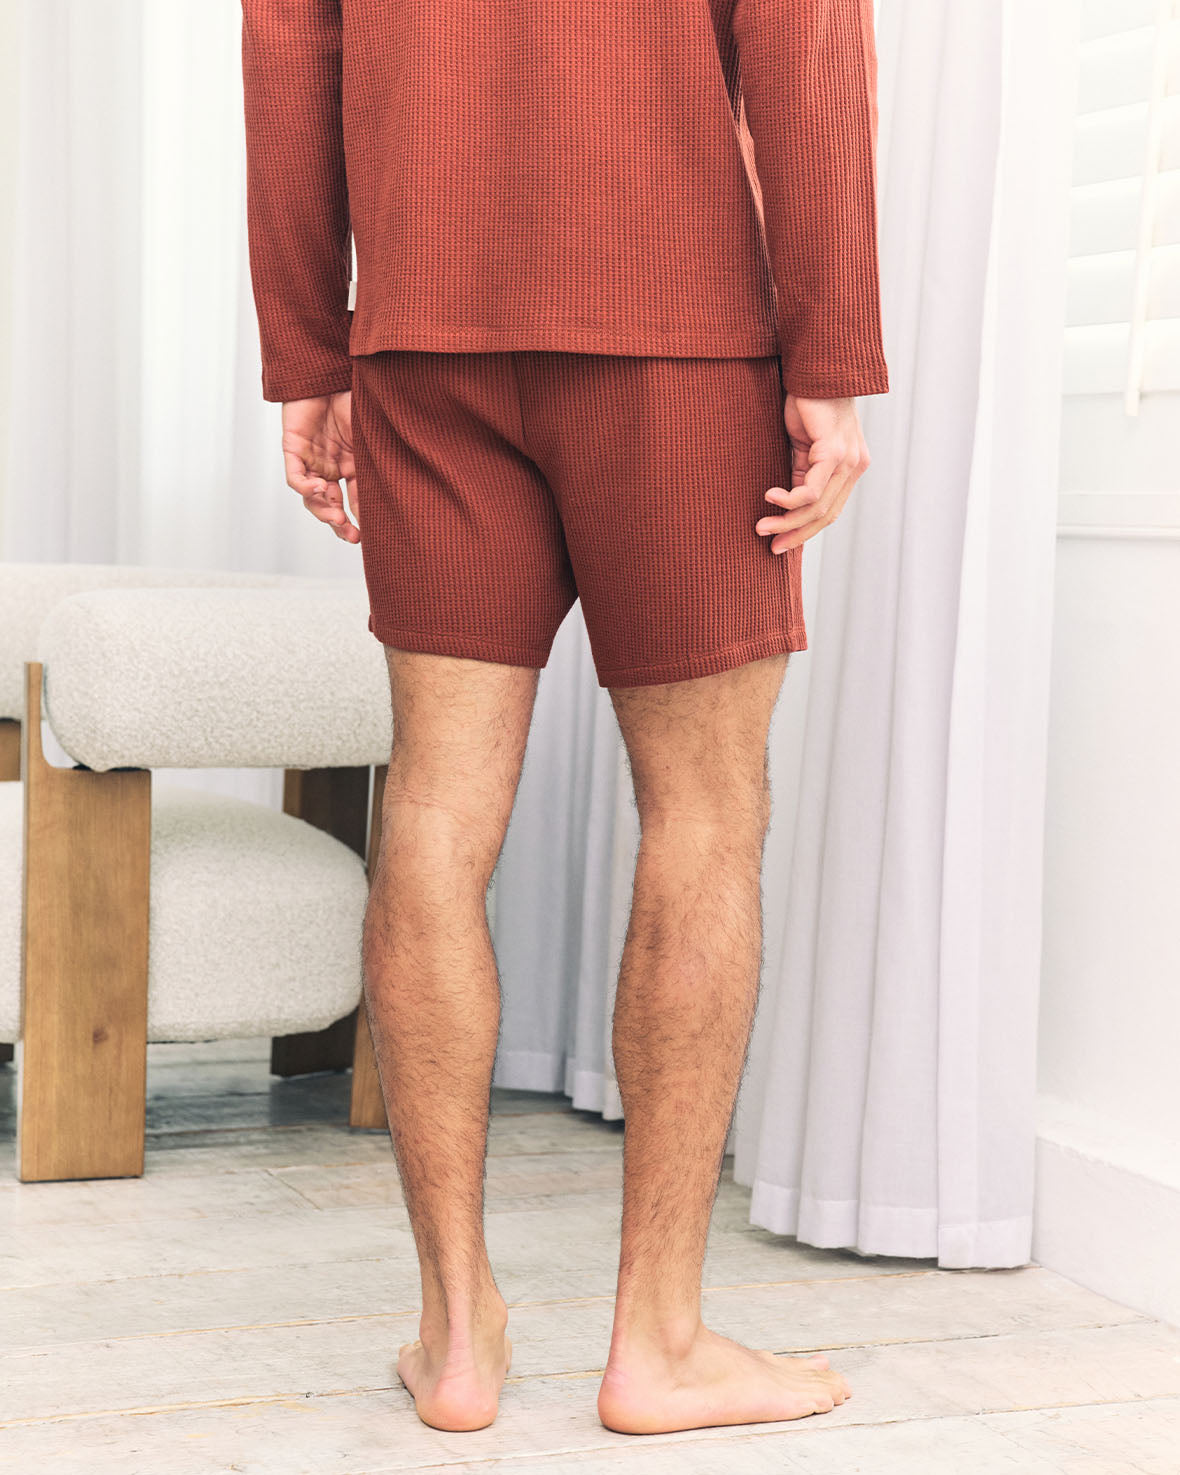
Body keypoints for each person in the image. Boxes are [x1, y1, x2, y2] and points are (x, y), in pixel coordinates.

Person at [241, 0, 888, 1438]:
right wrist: (831, 361)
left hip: (423, 330)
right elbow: (808, 43)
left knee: (433, 811)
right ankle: (657, 1344)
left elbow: (285, 42)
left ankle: (455, 1337)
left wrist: (308, 353)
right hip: (681, 319)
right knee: (705, 810)